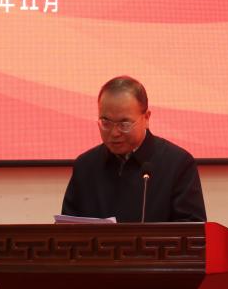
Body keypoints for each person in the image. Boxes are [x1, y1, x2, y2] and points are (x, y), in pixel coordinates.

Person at [61, 76, 206, 222]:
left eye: (124, 124)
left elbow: (192, 230)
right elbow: (67, 229)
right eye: (106, 123)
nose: (114, 133)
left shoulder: (178, 164)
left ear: (146, 118)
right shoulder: (85, 166)